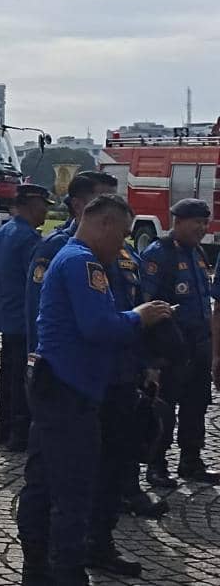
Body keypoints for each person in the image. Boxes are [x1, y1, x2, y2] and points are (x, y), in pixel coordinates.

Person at [15, 194, 172, 586]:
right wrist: (140, 316)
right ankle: (65, 572)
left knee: (45, 481)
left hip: (60, 384)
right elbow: (99, 326)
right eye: (120, 234)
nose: (122, 244)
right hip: (69, 390)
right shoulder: (82, 262)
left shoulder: (75, 259)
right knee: (71, 489)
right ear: (103, 223)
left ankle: (38, 569)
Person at [139, 198, 220, 486]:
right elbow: (145, 304)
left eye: (204, 222)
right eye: (196, 222)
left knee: (196, 405)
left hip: (198, 344)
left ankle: (191, 461)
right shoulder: (158, 255)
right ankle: (157, 465)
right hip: (170, 348)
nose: (201, 228)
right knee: (164, 407)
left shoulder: (197, 252)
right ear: (177, 221)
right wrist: (151, 358)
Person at [84, 236, 150, 578]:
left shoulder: (123, 253)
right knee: (88, 469)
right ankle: (75, 550)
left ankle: (99, 543)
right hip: (93, 381)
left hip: (124, 375)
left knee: (116, 462)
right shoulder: (71, 255)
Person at [0, 183, 52, 452]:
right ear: (32, 204)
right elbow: (40, 282)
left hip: (7, 318)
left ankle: (2, 427)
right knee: (23, 377)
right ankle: (20, 434)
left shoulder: (4, 232)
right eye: (43, 205)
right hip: (26, 320)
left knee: (6, 374)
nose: (45, 211)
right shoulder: (30, 239)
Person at [25, 171, 118, 353]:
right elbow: (38, 313)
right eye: (102, 203)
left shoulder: (122, 249)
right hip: (71, 360)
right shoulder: (54, 248)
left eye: (116, 202)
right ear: (77, 205)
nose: (113, 210)